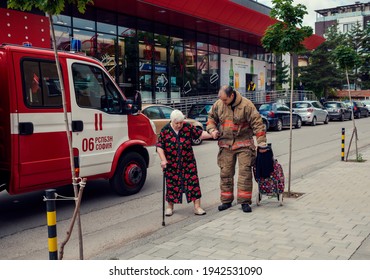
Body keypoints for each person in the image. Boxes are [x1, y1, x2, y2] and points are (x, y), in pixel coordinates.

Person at [206, 85, 267, 213]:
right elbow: (211, 118)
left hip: (243, 144)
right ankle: (226, 201)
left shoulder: (247, 105)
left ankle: (244, 202)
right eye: (221, 100)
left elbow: (258, 124)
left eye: (225, 100)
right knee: (225, 173)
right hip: (226, 144)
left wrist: (262, 144)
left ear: (231, 96)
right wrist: (212, 130)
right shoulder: (218, 104)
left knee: (244, 173)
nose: (223, 102)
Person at [156, 109, 212, 216]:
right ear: (171, 121)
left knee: (193, 183)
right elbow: (159, 147)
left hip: (188, 162)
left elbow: (199, 134)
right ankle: (170, 207)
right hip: (172, 164)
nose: (179, 125)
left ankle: (197, 207)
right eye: (177, 123)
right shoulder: (165, 131)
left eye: (181, 122)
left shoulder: (187, 127)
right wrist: (163, 160)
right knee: (172, 185)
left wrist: (211, 135)